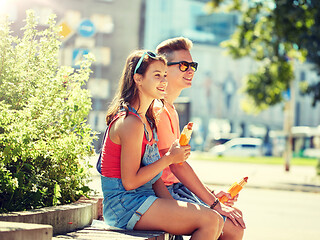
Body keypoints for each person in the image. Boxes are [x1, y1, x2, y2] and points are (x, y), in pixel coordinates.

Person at [98, 49, 225, 239]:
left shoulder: (147, 120)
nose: (164, 81)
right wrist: (169, 158)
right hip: (124, 205)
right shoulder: (130, 122)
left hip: (144, 199)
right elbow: (130, 182)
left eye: (165, 75)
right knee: (210, 220)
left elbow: (155, 179)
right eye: (157, 75)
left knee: (214, 218)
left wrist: (175, 207)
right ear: (138, 79)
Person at [155, 37, 246, 240]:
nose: (191, 71)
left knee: (235, 226)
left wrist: (213, 193)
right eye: (184, 65)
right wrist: (215, 203)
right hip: (162, 193)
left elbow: (177, 168)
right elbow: (177, 166)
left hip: (176, 187)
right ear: (164, 69)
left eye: (193, 65)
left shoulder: (171, 109)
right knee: (232, 228)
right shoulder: (158, 109)